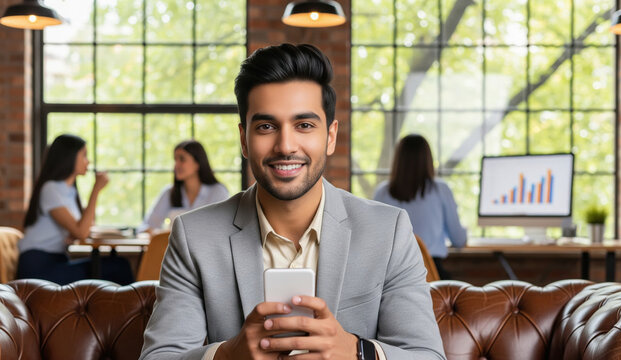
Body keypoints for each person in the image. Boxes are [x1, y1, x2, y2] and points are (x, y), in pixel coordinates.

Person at [140, 44, 446, 360]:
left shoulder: (389, 231)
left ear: (330, 136)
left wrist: (357, 352)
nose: (286, 146)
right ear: (244, 139)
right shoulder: (194, 236)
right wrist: (228, 356)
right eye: (266, 126)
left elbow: (428, 355)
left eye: (304, 125)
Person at [17, 134, 134, 285]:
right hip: (39, 266)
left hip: (57, 259)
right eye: (84, 155)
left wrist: (74, 231)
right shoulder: (50, 189)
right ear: (70, 157)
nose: (88, 161)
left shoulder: (69, 191)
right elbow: (82, 232)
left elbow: (85, 226)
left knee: (117, 264)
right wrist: (96, 189)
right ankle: (140, 309)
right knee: (118, 266)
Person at [373, 134, 467, 279]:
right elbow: (459, 240)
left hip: (390, 277)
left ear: (398, 160)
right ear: (428, 160)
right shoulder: (441, 190)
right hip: (431, 277)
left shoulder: (382, 192)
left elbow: (375, 242)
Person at [140, 140, 229, 233]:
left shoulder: (217, 192)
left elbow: (222, 230)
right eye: (175, 160)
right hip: (174, 247)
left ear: (197, 163)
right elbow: (147, 226)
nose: (176, 165)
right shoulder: (169, 193)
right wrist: (158, 234)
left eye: (182, 159)